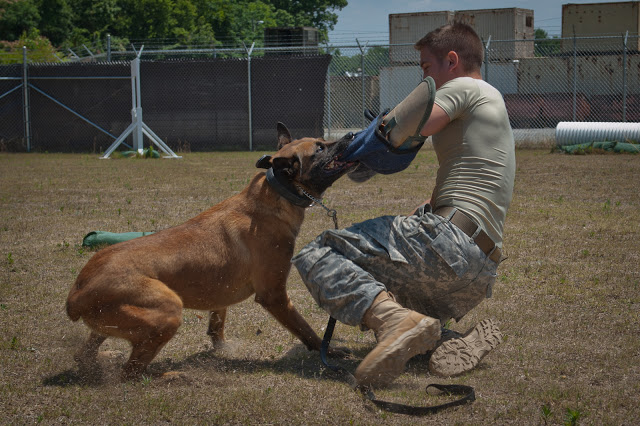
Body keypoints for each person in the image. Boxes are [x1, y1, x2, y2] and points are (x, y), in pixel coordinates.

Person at [292, 22, 515, 388]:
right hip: (479, 268)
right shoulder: (492, 103)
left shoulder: (463, 86)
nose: (423, 75)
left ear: (452, 60)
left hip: (449, 247)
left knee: (321, 253)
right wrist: (427, 207)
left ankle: (396, 322)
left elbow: (404, 126)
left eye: (427, 67)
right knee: (389, 290)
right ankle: (445, 340)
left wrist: (350, 153)